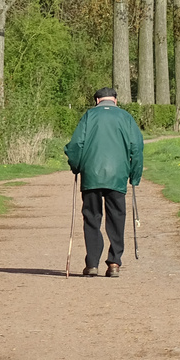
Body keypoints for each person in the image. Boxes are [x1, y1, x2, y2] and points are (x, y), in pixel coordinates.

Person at [64, 87, 144, 277]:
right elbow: (137, 147)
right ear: (115, 100)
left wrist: (76, 166)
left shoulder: (89, 116)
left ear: (97, 101)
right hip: (118, 176)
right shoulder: (125, 117)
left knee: (92, 217)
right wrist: (135, 175)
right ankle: (114, 263)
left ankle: (92, 263)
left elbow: (76, 145)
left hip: (91, 175)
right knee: (117, 218)